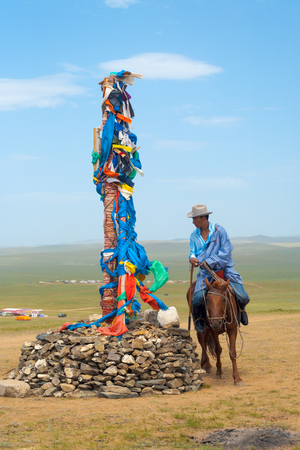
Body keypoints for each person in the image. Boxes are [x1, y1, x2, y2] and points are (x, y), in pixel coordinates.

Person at [187, 204, 250, 333]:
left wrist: (208, 261)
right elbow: (193, 252)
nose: (193, 222)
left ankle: (241, 310)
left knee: (243, 296)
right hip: (205, 273)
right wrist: (192, 258)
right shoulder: (194, 235)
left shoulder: (219, 231)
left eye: (195, 219)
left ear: (203, 218)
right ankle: (199, 320)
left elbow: (225, 253)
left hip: (224, 269)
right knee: (197, 298)